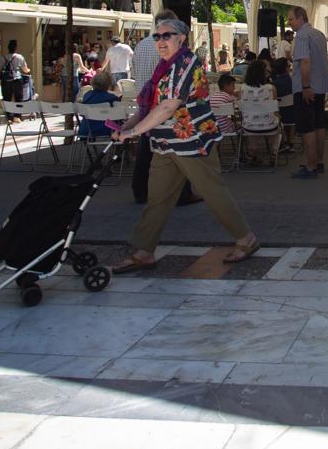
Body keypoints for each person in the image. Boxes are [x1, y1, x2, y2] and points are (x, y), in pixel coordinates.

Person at [110, 17, 259, 274]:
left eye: (166, 36)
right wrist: (128, 126)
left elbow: (169, 105)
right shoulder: (164, 67)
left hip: (192, 142)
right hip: (166, 142)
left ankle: (246, 239)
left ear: (181, 38)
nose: (160, 41)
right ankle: (144, 250)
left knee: (213, 192)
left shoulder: (186, 63)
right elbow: (151, 104)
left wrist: (134, 131)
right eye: (157, 37)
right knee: (158, 197)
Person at [130, 10, 199, 207]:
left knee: (147, 151)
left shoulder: (141, 45)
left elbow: (135, 72)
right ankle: (182, 194)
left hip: (146, 102)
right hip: (162, 105)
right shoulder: (169, 50)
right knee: (177, 152)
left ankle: (141, 191)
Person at [289, 5, 328, 178]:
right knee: (319, 124)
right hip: (321, 86)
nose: (289, 22)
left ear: (301, 18)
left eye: (291, 19)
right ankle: (318, 162)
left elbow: (305, 62)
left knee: (307, 127)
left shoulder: (301, 36)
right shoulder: (319, 34)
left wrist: (306, 86)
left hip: (307, 88)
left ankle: (311, 166)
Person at [240, 60, 280, 166]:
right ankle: (273, 153)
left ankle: (252, 154)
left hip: (249, 127)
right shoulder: (271, 88)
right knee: (276, 124)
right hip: (270, 126)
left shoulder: (242, 88)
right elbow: (275, 110)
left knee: (252, 121)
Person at [77, 71, 121, 137]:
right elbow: (119, 115)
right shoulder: (112, 98)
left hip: (87, 129)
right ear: (108, 84)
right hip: (107, 129)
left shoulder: (87, 95)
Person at [0, 39, 31, 123]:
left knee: (6, 99)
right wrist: (28, 71)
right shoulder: (19, 57)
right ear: (16, 48)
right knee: (18, 98)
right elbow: (25, 69)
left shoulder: (3, 57)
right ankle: (17, 116)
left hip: (6, 80)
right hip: (17, 79)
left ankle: (8, 117)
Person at [271, 57, 298, 153]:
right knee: (291, 120)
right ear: (287, 68)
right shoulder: (293, 81)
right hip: (292, 113)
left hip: (278, 115)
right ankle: (290, 142)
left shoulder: (273, 83)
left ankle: (283, 141)